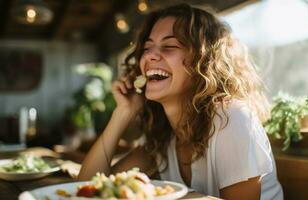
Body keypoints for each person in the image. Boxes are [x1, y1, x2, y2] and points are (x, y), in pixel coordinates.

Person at [78, 3, 283, 200]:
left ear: (203, 62)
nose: (149, 55)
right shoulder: (164, 137)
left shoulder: (231, 118)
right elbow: (90, 188)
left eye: (169, 46)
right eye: (147, 47)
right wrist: (123, 112)